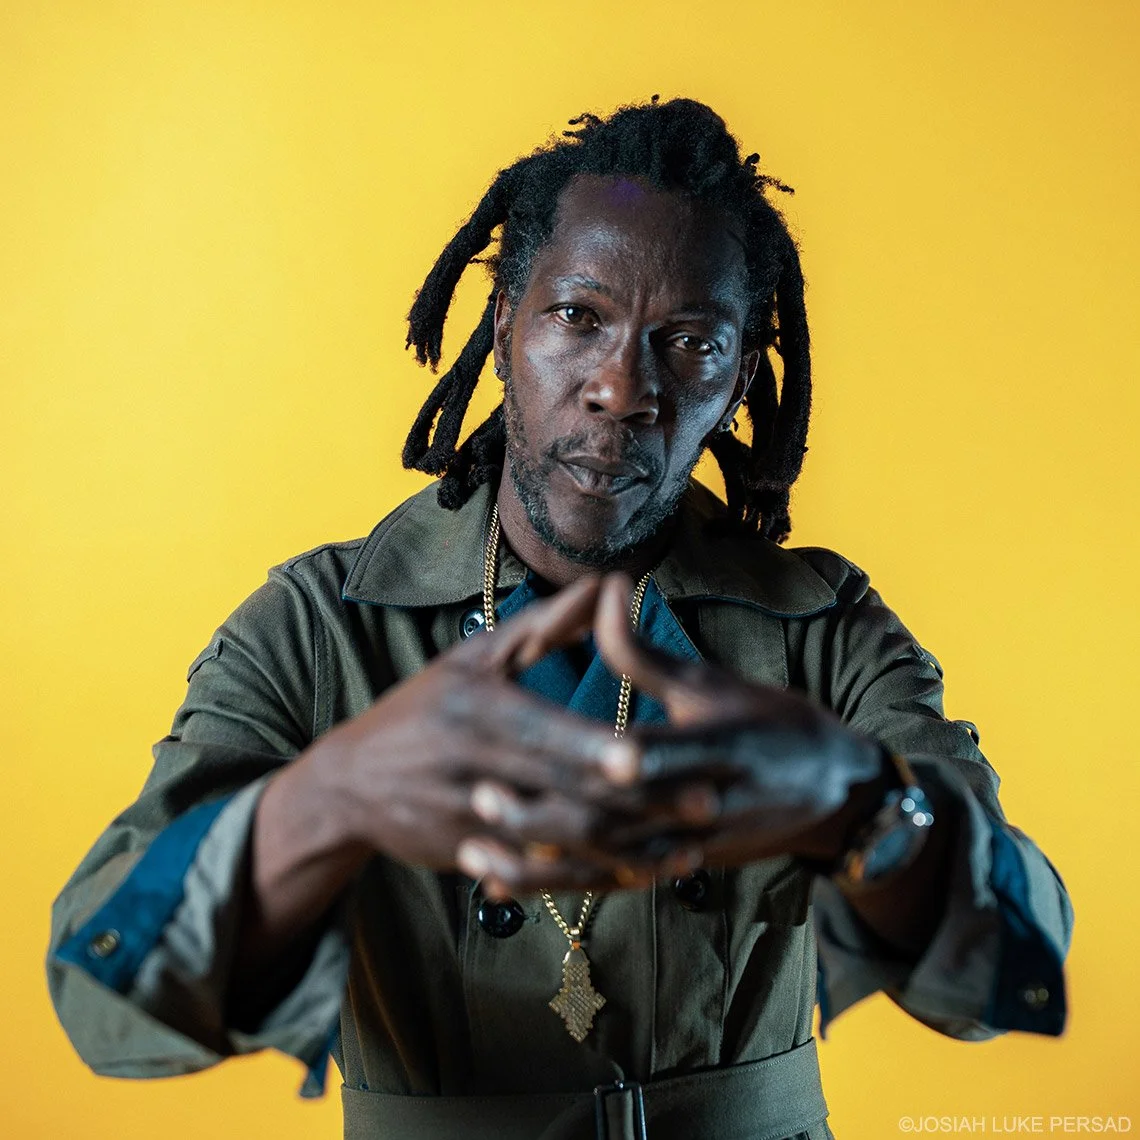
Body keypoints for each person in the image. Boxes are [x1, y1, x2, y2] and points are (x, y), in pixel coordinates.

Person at [47, 97, 1073, 1140]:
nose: (622, 388)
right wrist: (328, 799)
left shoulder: (822, 629)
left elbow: (1016, 968)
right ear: (503, 330)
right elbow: (103, 999)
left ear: (739, 385)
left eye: (689, 343)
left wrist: (866, 807)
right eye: (577, 317)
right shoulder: (318, 630)